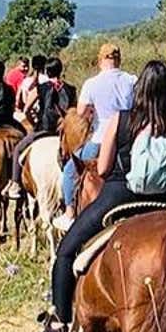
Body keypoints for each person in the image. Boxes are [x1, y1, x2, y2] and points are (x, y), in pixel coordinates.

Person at [27, 58, 166, 332]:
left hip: (120, 197)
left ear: (141, 88)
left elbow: (104, 168)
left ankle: (58, 324)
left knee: (67, 250)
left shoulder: (122, 119)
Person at [64, 43, 136, 219]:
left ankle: (69, 211)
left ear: (100, 60)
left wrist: (92, 111)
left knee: (69, 170)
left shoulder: (92, 83)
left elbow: (81, 112)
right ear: (119, 59)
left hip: (100, 139)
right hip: (128, 140)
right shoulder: (132, 80)